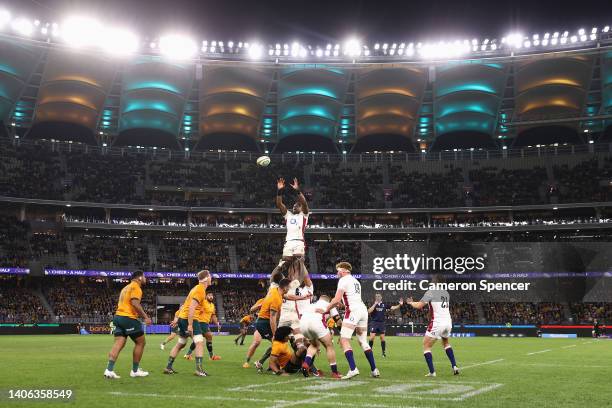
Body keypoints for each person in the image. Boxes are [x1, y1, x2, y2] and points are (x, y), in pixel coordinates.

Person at [324, 262, 380, 379]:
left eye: (338, 270)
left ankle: (353, 369)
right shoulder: (355, 281)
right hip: (362, 310)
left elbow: (336, 299)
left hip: (353, 311)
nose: (337, 273)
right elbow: (350, 298)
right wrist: (342, 304)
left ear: (344, 270)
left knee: (344, 340)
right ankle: (374, 369)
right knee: (363, 341)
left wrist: (326, 309)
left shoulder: (343, 280)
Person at [406, 274, 459, 377]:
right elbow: (435, 307)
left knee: (426, 345)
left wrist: (411, 303)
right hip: (448, 322)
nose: (431, 281)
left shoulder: (431, 292)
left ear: (436, 281)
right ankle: (454, 366)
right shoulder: (446, 293)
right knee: (446, 343)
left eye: (433, 280)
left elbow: (419, 306)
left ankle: (432, 372)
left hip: (438, 323)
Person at [104, 270, 152, 379]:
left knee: (119, 343)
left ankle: (109, 370)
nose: (145, 278)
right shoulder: (136, 287)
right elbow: (135, 303)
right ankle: (135, 371)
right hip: (128, 317)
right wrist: (145, 317)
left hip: (118, 317)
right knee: (141, 342)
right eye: (144, 276)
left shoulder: (125, 288)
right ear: (139, 278)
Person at [164, 270, 211, 377]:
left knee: (181, 343)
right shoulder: (200, 290)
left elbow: (185, 305)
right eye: (210, 276)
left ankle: (168, 367)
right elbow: (191, 308)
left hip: (182, 318)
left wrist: (178, 319)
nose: (211, 278)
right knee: (199, 342)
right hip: (189, 319)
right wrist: (190, 324)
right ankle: (199, 370)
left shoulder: (196, 288)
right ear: (206, 278)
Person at [243, 278, 292, 368]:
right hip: (264, 323)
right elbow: (272, 319)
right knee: (273, 342)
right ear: (284, 288)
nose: (289, 289)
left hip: (264, 322)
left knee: (277, 343)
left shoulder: (275, 291)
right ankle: (254, 362)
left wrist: (302, 298)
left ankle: (264, 363)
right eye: (289, 287)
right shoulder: (275, 298)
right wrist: (275, 334)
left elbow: (286, 295)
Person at [300, 294, 342, 379]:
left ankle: (306, 364)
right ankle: (334, 372)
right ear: (328, 301)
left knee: (314, 345)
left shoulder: (311, 304)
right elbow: (339, 322)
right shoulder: (328, 305)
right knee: (329, 345)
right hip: (316, 324)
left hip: (303, 325)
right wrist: (342, 334)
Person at [275, 177, 309, 281]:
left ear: (301, 208)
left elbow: (304, 203)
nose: (295, 206)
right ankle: (286, 282)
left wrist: (297, 190)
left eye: (297, 205)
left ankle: (299, 283)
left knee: (298, 263)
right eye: (294, 205)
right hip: (288, 242)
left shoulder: (304, 215)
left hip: (299, 242)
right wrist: (279, 190)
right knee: (285, 263)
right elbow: (279, 204)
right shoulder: (288, 215)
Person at [184, 292, 222, 360]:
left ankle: (187, 354)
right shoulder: (203, 302)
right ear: (206, 296)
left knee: (198, 339)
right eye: (209, 295)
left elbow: (213, 316)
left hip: (205, 323)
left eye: (212, 295)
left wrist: (217, 323)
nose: (211, 297)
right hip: (200, 322)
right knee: (209, 336)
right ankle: (211, 356)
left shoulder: (212, 305)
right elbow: (194, 306)